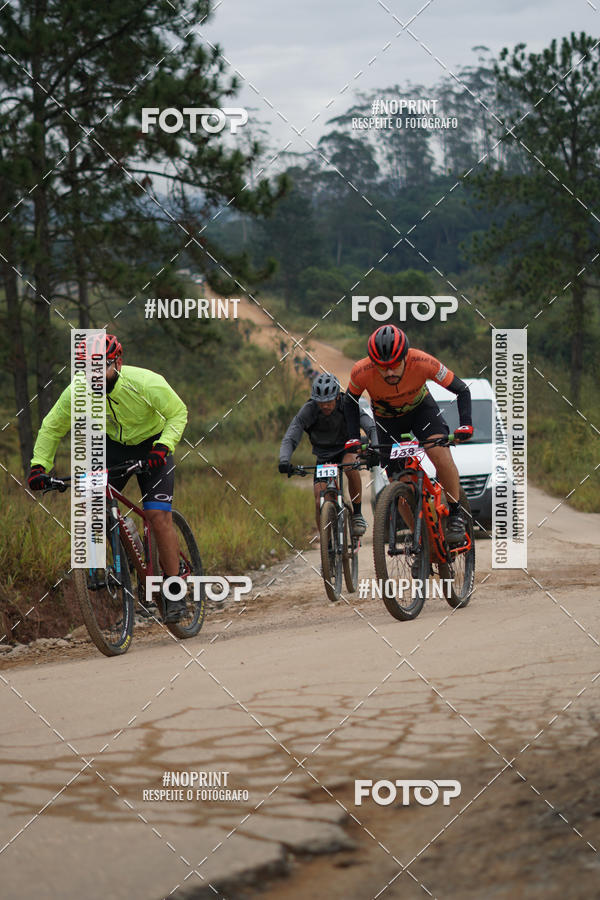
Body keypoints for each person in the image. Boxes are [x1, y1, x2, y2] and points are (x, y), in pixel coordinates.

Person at [27, 333, 189, 622]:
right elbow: (52, 427)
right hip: (112, 448)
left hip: (153, 446)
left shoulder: (146, 383)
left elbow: (178, 413)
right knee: (92, 504)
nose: (95, 375)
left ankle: (173, 590)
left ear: (118, 363)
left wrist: (163, 447)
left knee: (157, 515)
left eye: (102, 367)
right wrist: (39, 467)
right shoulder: (78, 391)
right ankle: (126, 542)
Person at [344, 325, 473, 542]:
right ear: (373, 363)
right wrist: (353, 437)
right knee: (398, 483)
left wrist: (466, 424)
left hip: (421, 412)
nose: (389, 373)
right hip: (387, 421)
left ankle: (455, 514)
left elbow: (462, 389)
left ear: (405, 357)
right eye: (383, 368)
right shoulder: (361, 370)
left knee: (440, 455)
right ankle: (420, 540)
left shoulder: (423, 361)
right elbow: (349, 401)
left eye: (394, 366)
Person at [278, 372, 377, 536]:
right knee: (319, 501)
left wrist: (376, 447)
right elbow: (290, 437)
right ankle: (327, 543)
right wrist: (284, 460)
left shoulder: (347, 404)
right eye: (320, 402)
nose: (324, 406)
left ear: (337, 396)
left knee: (351, 466)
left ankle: (357, 514)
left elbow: (370, 426)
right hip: (323, 456)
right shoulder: (309, 410)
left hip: (346, 448)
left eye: (329, 401)